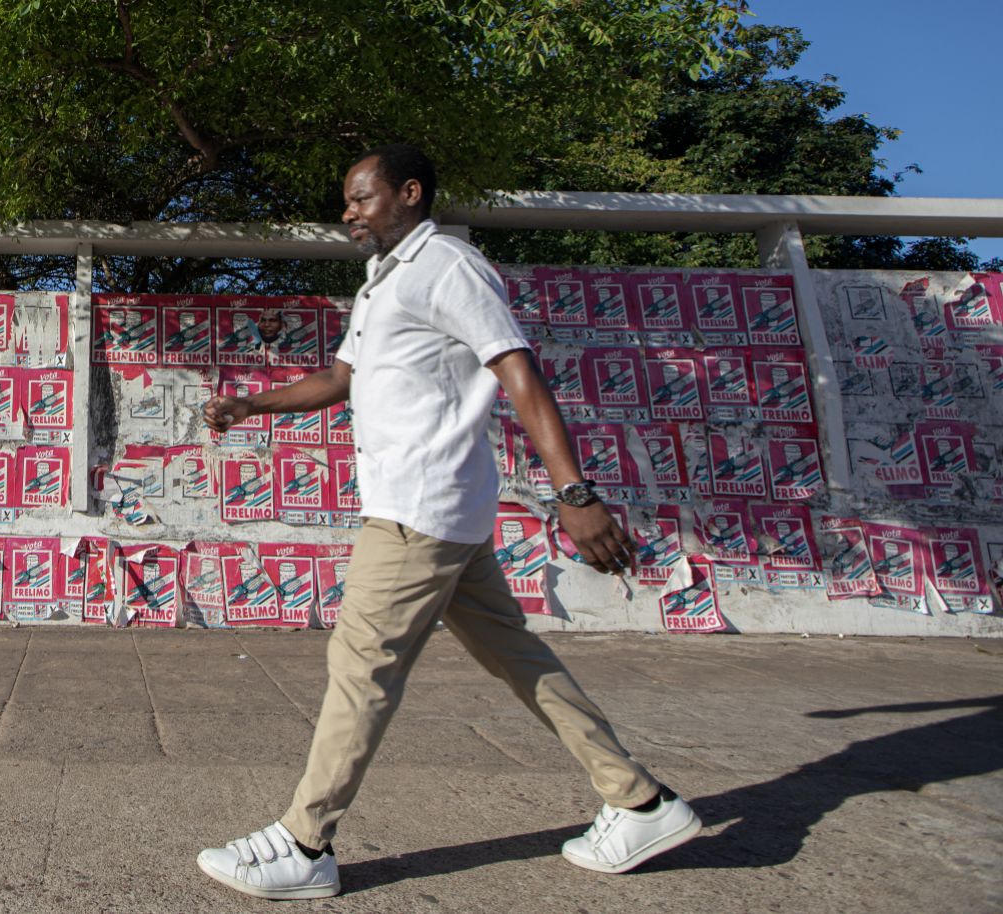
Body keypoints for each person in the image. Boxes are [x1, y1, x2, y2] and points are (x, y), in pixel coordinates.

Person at [194, 144, 700, 901]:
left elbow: (516, 367)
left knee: (360, 670)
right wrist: (252, 404)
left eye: (361, 199)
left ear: (410, 192)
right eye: (347, 201)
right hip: (443, 516)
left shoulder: (450, 267)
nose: (349, 213)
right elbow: (343, 377)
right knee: (519, 660)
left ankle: (305, 841)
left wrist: (575, 493)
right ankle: (640, 802)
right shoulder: (384, 278)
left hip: (417, 514)